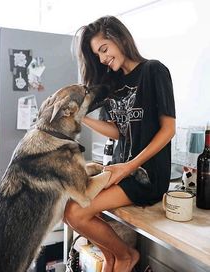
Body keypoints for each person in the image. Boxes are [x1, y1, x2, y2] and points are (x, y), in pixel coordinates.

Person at [64, 15, 176, 272]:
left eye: (104, 49)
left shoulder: (153, 71)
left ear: (120, 38)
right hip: (119, 171)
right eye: (98, 55)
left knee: (75, 213)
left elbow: (168, 130)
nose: (102, 59)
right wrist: (82, 117)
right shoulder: (112, 83)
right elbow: (118, 132)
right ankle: (115, 258)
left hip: (145, 175)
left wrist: (129, 166)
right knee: (68, 209)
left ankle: (126, 256)